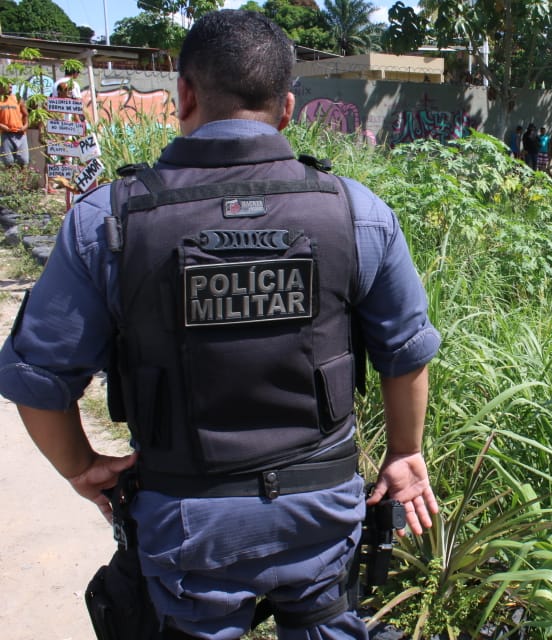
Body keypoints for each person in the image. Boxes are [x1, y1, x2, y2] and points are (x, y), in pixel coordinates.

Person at [0, 9, 440, 640]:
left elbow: (37, 379)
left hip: (187, 524)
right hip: (322, 512)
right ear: (288, 108)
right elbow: (405, 352)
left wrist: (79, 466)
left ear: (184, 95)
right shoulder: (356, 213)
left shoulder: (108, 221)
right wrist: (404, 454)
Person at [0, 82, 29, 167]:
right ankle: (10, 180)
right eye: (7, 85)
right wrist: (2, 126)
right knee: (8, 162)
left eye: (11, 85)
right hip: (6, 134)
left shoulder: (17, 98)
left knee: (23, 161)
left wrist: (25, 125)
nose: (10, 86)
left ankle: (22, 180)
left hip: (21, 134)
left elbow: (25, 114)